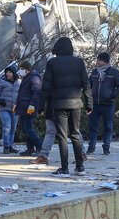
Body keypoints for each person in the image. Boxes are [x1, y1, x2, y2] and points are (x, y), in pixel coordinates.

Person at [38, 37, 92, 176]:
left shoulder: (52, 63)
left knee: (62, 136)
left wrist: (40, 106)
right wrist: (89, 104)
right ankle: (80, 167)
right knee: (75, 134)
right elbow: (86, 84)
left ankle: (64, 168)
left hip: (59, 103)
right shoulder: (79, 62)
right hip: (76, 103)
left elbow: (46, 86)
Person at [87, 52, 119, 155]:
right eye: (97, 60)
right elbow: (89, 85)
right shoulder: (94, 72)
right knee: (92, 127)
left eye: (100, 60)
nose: (98, 62)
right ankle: (91, 147)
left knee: (108, 127)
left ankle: (106, 147)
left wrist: (113, 95)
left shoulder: (114, 72)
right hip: (95, 104)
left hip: (108, 104)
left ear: (105, 61)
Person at [13, 61, 43, 156]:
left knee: (28, 128)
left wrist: (32, 105)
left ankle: (40, 147)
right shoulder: (27, 78)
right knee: (26, 129)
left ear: (27, 70)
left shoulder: (34, 78)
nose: (20, 71)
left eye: (22, 69)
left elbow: (36, 92)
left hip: (29, 107)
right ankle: (30, 148)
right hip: (23, 107)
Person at [0, 65, 20, 153]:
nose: (8, 74)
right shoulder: (2, 81)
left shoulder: (19, 82)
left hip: (15, 108)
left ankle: (11, 145)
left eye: (10, 72)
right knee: (7, 127)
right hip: (4, 108)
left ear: (14, 73)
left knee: (13, 128)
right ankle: (6, 146)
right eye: (7, 72)